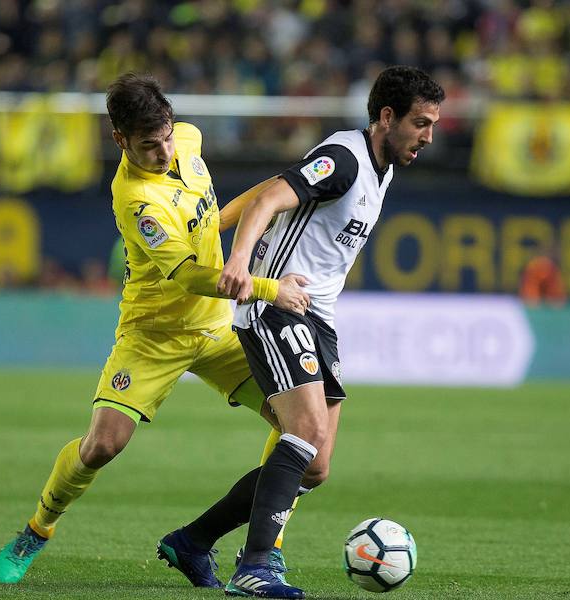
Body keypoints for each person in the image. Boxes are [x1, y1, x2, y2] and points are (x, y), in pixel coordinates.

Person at [0, 73, 310, 587]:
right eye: (147, 145)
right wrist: (271, 289)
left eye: (165, 137)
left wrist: (282, 190)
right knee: (101, 447)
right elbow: (188, 274)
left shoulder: (188, 139)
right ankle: (38, 529)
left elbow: (212, 219)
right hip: (153, 337)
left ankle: (258, 548)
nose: (163, 151)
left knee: (299, 430)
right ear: (119, 140)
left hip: (217, 331)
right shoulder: (136, 199)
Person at [170, 65, 445, 599]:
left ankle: (193, 541)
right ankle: (256, 564)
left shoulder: (383, 167)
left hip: (318, 315)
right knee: (305, 430)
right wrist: (243, 265)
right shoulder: (344, 158)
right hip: (275, 305)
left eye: (432, 124)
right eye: (420, 123)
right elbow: (270, 197)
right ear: (386, 117)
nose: (428, 136)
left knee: (315, 466)